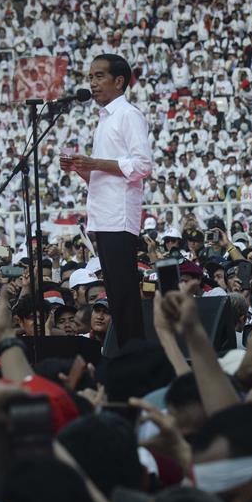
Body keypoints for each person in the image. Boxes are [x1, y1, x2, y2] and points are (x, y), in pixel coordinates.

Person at [62, 54, 153, 346]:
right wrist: (81, 168)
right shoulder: (104, 121)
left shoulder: (128, 114)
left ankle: (135, 354)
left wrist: (95, 162)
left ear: (119, 81)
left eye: (99, 76)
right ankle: (128, 351)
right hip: (103, 215)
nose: (92, 83)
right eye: (90, 77)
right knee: (115, 293)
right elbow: (102, 177)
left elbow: (142, 166)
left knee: (124, 296)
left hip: (118, 216)